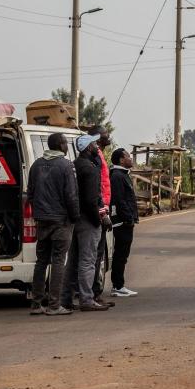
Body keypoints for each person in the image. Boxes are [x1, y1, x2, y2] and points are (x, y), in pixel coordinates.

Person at [26, 133, 79, 316]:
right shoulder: (66, 165)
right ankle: (54, 305)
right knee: (58, 261)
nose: (66, 146)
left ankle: (36, 304)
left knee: (41, 261)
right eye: (65, 143)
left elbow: (30, 193)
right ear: (61, 145)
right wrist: (74, 217)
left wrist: (38, 213)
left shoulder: (36, 165)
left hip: (42, 220)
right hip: (61, 220)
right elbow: (71, 196)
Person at [61, 135, 112, 311]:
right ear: (87, 147)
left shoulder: (75, 165)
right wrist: (99, 219)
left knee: (73, 261)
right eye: (94, 143)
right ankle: (87, 299)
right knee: (88, 261)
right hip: (88, 220)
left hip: (74, 218)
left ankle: (65, 299)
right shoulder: (90, 169)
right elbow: (92, 199)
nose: (97, 146)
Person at [86, 125, 114, 303]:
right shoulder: (95, 158)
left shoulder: (100, 155)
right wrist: (103, 213)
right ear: (96, 138)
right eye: (105, 134)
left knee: (97, 253)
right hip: (97, 210)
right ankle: (93, 293)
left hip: (101, 207)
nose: (108, 136)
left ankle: (92, 291)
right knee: (95, 254)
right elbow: (96, 189)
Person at [108, 148, 139, 298]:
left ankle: (119, 285)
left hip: (125, 221)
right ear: (121, 160)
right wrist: (128, 219)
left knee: (122, 254)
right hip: (122, 222)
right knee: (121, 254)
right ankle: (118, 286)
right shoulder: (118, 176)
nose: (131, 158)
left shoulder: (122, 175)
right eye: (128, 156)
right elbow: (120, 201)